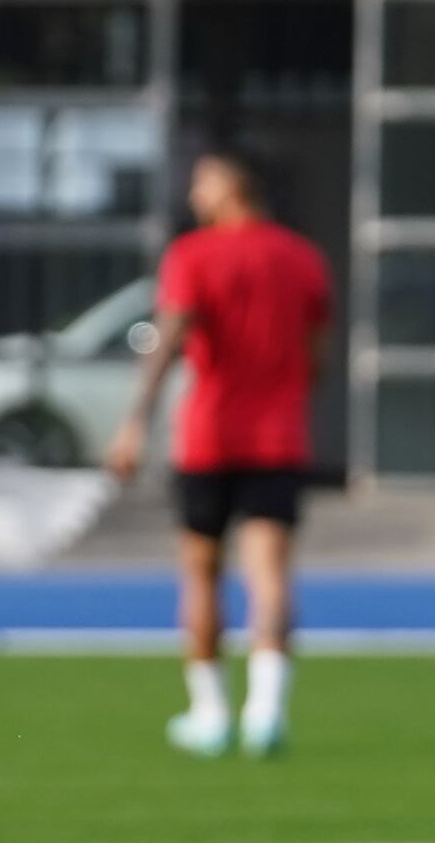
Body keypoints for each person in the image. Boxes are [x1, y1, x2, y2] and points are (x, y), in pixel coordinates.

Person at [107, 149, 328, 760]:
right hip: (278, 436)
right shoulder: (302, 258)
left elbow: (169, 337)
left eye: (202, 182)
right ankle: (266, 711)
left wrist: (135, 421)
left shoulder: (194, 255)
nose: (193, 194)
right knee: (270, 571)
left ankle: (210, 714)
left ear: (233, 185)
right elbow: (317, 352)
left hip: (210, 435)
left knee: (201, 570)